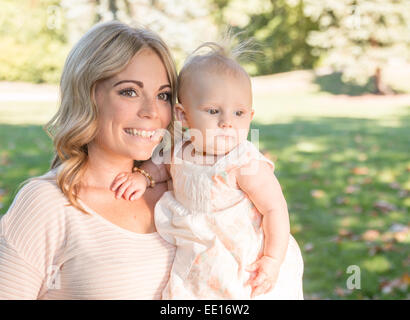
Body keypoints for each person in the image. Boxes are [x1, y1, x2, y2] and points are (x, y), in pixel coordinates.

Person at [111, 41, 304, 299]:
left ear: (251, 115)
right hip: (201, 255)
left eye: (239, 113)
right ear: (183, 115)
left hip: (245, 258)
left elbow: (275, 209)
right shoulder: (179, 150)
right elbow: (160, 166)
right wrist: (142, 177)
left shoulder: (243, 162)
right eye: (213, 111)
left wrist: (271, 259)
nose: (226, 123)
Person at [0, 21, 179, 299]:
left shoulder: (181, 191)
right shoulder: (47, 205)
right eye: (129, 91)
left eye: (163, 95)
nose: (152, 111)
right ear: (88, 96)